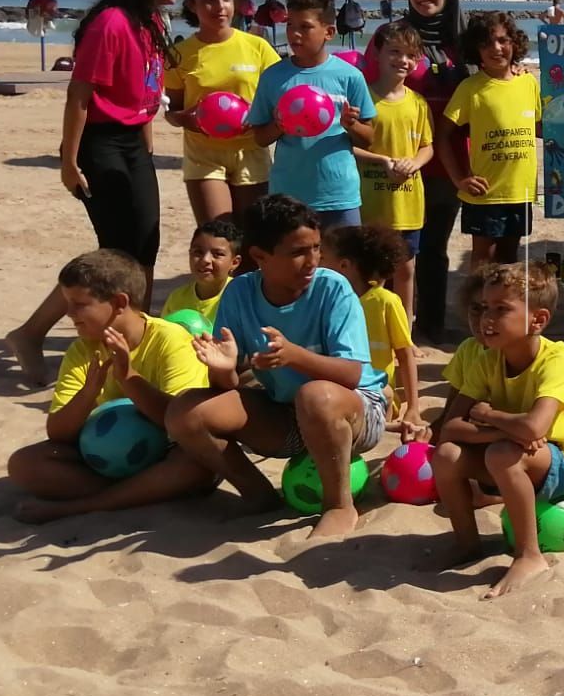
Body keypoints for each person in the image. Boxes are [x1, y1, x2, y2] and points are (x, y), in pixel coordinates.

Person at [5, 0, 194, 385]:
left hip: (132, 142)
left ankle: (137, 344)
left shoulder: (149, 21)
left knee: (145, 245)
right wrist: (68, 161)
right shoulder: (110, 23)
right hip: (100, 143)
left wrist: (146, 142)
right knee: (115, 252)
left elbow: (145, 93)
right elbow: (80, 95)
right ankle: (31, 334)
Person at [166, 195, 390, 538]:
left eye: (316, 248)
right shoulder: (240, 292)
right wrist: (224, 367)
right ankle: (258, 495)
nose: (312, 260)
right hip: (286, 413)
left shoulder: (333, 289)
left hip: (354, 411)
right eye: (298, 252)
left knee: (317, 396)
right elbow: (226, 386)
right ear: (260, 257)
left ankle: (338, 506)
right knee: (184, 412)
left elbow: (352, 374)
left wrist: (293, 355)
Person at [5, 249, 215, 522]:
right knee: (24, 465)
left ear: (119, 302)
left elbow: (177, 420)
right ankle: (140, 492)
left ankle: (84, 505)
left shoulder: (171, 340)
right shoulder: (83, 350)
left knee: (195, 465)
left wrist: (127, 377)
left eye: (79, 304)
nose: (68, 313)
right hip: (109, 459)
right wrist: (88, 393)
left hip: (168, 452)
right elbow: (57, 433)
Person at [432, 261, 564, 599]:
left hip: (563, 461)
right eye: (484, 308)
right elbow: (449, 428)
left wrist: (490, 415)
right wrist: (504, 430)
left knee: (503, 454)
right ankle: (467, 544)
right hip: (514, 450)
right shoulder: (487, 358)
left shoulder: (557, 361)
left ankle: (529, 556)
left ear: (538, 320)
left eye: (501, 309)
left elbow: (536, 427)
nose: (487, 319)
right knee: (447, 455)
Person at [370, 0, 467, 341]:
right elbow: (367, 89)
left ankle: (431, 324)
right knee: (393, 248)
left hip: (449, 158)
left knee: (434, 247)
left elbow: (497, 71)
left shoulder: (463, 39)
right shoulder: (393, 36)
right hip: (396, 158)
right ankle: (390, 327)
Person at [247, 0, 377, 232]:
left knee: (342, 265)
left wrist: (352, 125)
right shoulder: (273, 77)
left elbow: (369, 138)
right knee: (291, 265)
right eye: (289, 25)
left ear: (328, 32)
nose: (294, 34)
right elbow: (260, 138)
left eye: (305, 27)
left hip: (338, 195)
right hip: (288, 196)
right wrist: (278, 125)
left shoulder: (350, 77)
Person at [166, 0, 281, 225]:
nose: (220, 6)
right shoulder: (179, 54)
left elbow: (281, 95)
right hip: (203, 155)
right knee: (219, 237)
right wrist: (189, 119)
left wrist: (266, 117)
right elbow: (171, 111)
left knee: (252, 242)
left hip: (251, 153)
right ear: (192, 6)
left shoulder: (257, 47)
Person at [441, 10, 541, 266]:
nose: (496, 48)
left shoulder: (529, 83)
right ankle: (477, 307)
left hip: (520, 191)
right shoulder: (471, 88)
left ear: (514, 43)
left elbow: (539, 128)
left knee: (509, 259)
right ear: (476, 50)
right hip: (485, 192)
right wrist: (459, 179)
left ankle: (504, 307)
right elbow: (442, 137)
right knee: (483, 262)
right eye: (486, 43)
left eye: (503, 40)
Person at [353, 19, 434, 325]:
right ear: (378, 53)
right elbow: (346, 146)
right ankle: (369, 330)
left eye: (410, 54)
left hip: (408, 206)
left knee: (406, 270)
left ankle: (404, 332)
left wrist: (414, 162)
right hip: (371, 205)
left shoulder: (418, 103)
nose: (402, 59)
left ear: (417, 61)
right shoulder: (364, 99)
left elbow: (428, 146)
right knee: (372, 274)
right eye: (395, 51)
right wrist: (383, 161)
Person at [323, 224, 421, 438]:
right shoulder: (327, 301)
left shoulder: (385, 302)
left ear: (344, 265)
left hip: (377, 394)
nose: (315, 263)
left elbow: (405, 356)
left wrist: (413, 408)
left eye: (322, 258)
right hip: (338, 390)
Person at [158, 217, 244, 327]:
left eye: (217, 254)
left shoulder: (241, 299)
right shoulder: (177, 299)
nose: (205, 260)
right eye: (198, 252)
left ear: (235, 262)